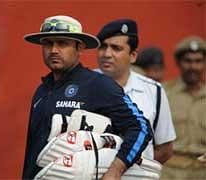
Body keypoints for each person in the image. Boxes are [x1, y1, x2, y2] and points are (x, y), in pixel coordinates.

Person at [22, 15, 153, 180]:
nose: (54, 50)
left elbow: (141, 127)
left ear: (80, 48)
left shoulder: (98, 85)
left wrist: (115, 171)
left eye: (62, 43)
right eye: (48, 43)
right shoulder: (41, 90)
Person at [96, 19, 176, 165]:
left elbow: (165, 149)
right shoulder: (83, 84)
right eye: (102, 47)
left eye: (116, 48)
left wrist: (132, 170)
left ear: (133, 55)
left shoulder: (153, 91)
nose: (107, 54)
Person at [162, 36, 206, 179]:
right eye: (188, 61)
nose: (193, 66)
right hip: (170, 172)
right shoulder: (164, 93)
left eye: (198, 61)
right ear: (179, 63)